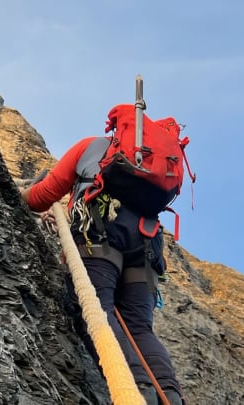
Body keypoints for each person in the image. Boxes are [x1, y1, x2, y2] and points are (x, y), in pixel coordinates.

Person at [20, 128, 186, 405]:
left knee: (97, 310)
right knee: (140, 328)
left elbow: (43, 195)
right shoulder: (157, 166)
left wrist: (23, 194)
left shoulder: (92, 147)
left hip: (99, 233)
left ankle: (136, 388)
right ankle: (169, 395)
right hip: (147, 245)